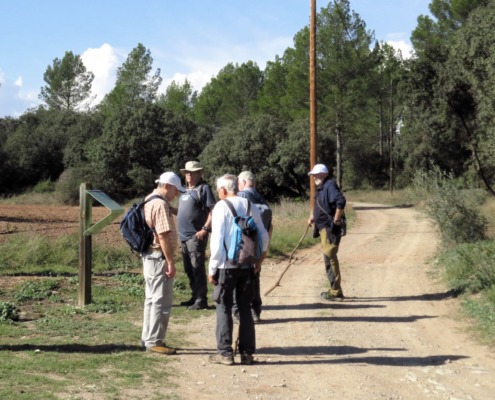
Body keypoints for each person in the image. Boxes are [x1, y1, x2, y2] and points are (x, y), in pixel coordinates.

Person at [207, 174, 269, 365]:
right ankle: (247, 353)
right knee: (245, 308)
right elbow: (264, 236)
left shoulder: (221, 207)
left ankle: (225, 353)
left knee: (224, 306)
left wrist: (212, 268)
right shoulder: (249, 205)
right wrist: (259, 261)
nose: (217, 193)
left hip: (226, 266)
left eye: (218, 190)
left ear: (223, 190)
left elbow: (217, 241)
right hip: (247, 264)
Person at [141, 171, 185, 354]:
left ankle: (148, 338)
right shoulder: (160, 204)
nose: (177, 194)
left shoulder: (150, 199)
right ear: (167, 186)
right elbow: (163, 235)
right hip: (159, 257)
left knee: (151, 299)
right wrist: (170, 261)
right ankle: (155, 341)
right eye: (176, 190)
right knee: (161, 300)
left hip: (150, 256)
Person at [234, 171, 273, 323]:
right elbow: (270, 226)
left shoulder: (242, 197)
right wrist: (264, 249)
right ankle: (256, 310)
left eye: (238, 183)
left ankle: (246, 312)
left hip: (246, 245)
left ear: (243, 183)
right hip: (260, 245)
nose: (237, 186)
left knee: (244, 279)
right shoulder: (261, 198)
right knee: (255, 276)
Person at [177, 160, 216, 310]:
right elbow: (182, 211)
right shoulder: (184, 191)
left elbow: (213, 210)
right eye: (187, 173)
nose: (189, 175)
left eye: (192, 173)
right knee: (189, 268)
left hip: (196, 236)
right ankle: (195, 296)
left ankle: (201, 299)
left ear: (199, 174)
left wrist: (205, 229)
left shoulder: (204, 188)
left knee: (197, 267)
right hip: (183, 237)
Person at [307, 164, 347, 301]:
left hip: (329, 228)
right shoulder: (323, 187)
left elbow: (340, 201)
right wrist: (313, 216)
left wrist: (336, 220)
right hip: (324, 228)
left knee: (330, 257)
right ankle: (335, 290)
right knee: (328, 257)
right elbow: (322, 204)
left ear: (324, 174)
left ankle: (336, 292)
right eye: (313, 175)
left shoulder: (329, 185)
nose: (314, 177)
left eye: (316, 175)